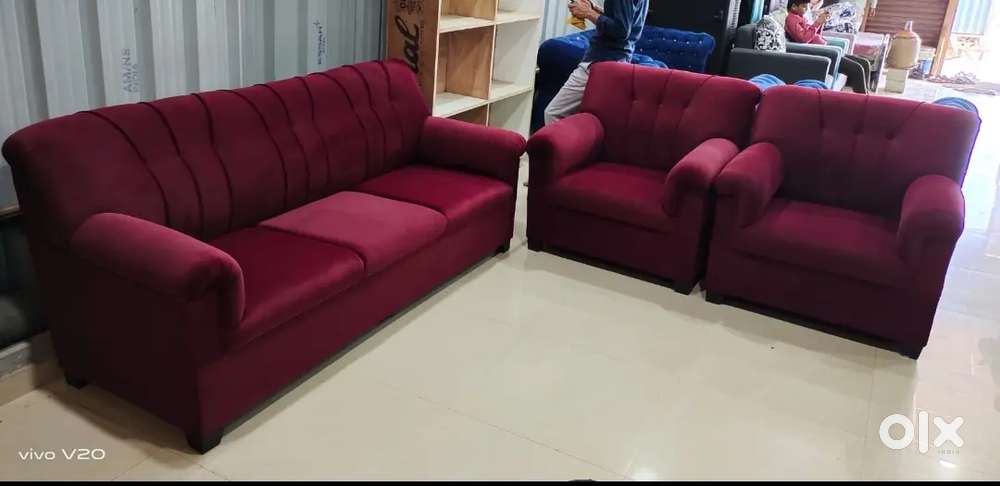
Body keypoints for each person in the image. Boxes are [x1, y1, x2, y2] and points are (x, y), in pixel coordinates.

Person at [543, 0, 650, 125]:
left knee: (553, 112)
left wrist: (588, 13)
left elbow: (621, 30)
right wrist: (595, 9)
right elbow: (625, 19)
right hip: (618, 61)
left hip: (602, 61)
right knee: (589, 119)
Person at [787, 0, 871, 93]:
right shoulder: (791, 19)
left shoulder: (801, 17)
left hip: (826, 49)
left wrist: (821, 23)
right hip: (821, 53)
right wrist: (817, 23)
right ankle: (864, 99)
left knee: (865, 63)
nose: (807, 9)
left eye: (807, 7)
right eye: (804, 7)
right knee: (857, 69)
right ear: (794, 7)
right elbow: (803, 39)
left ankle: (867, 96)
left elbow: (813, 35)